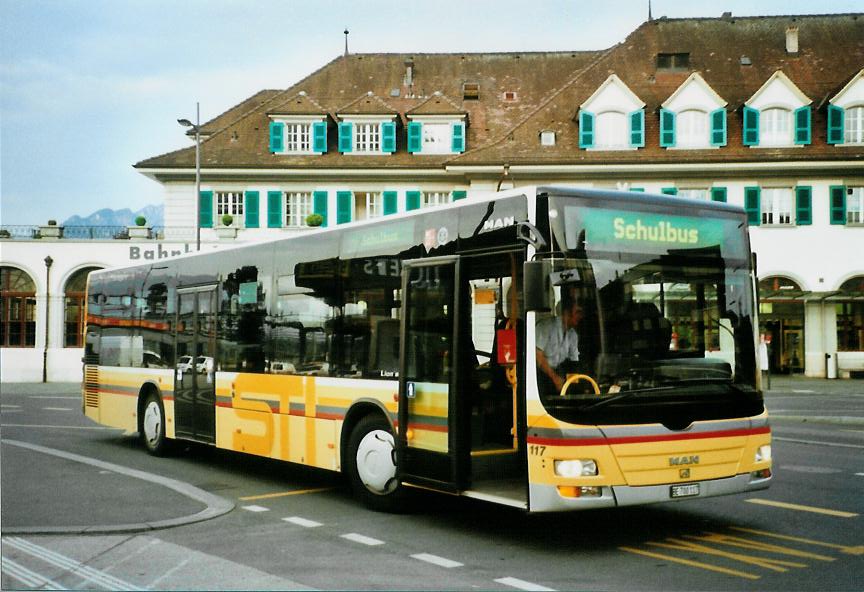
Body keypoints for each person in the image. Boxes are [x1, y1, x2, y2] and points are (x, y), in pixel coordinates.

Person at [536, 288, 583, 394]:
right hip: (539, 376)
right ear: (567, 313)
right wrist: (555, 379)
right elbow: (538, 356)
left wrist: (575, 385)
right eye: (578, 312)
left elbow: (574, 362)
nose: (580, 316)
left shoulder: (573, 335)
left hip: (558, 375)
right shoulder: (545, 326)